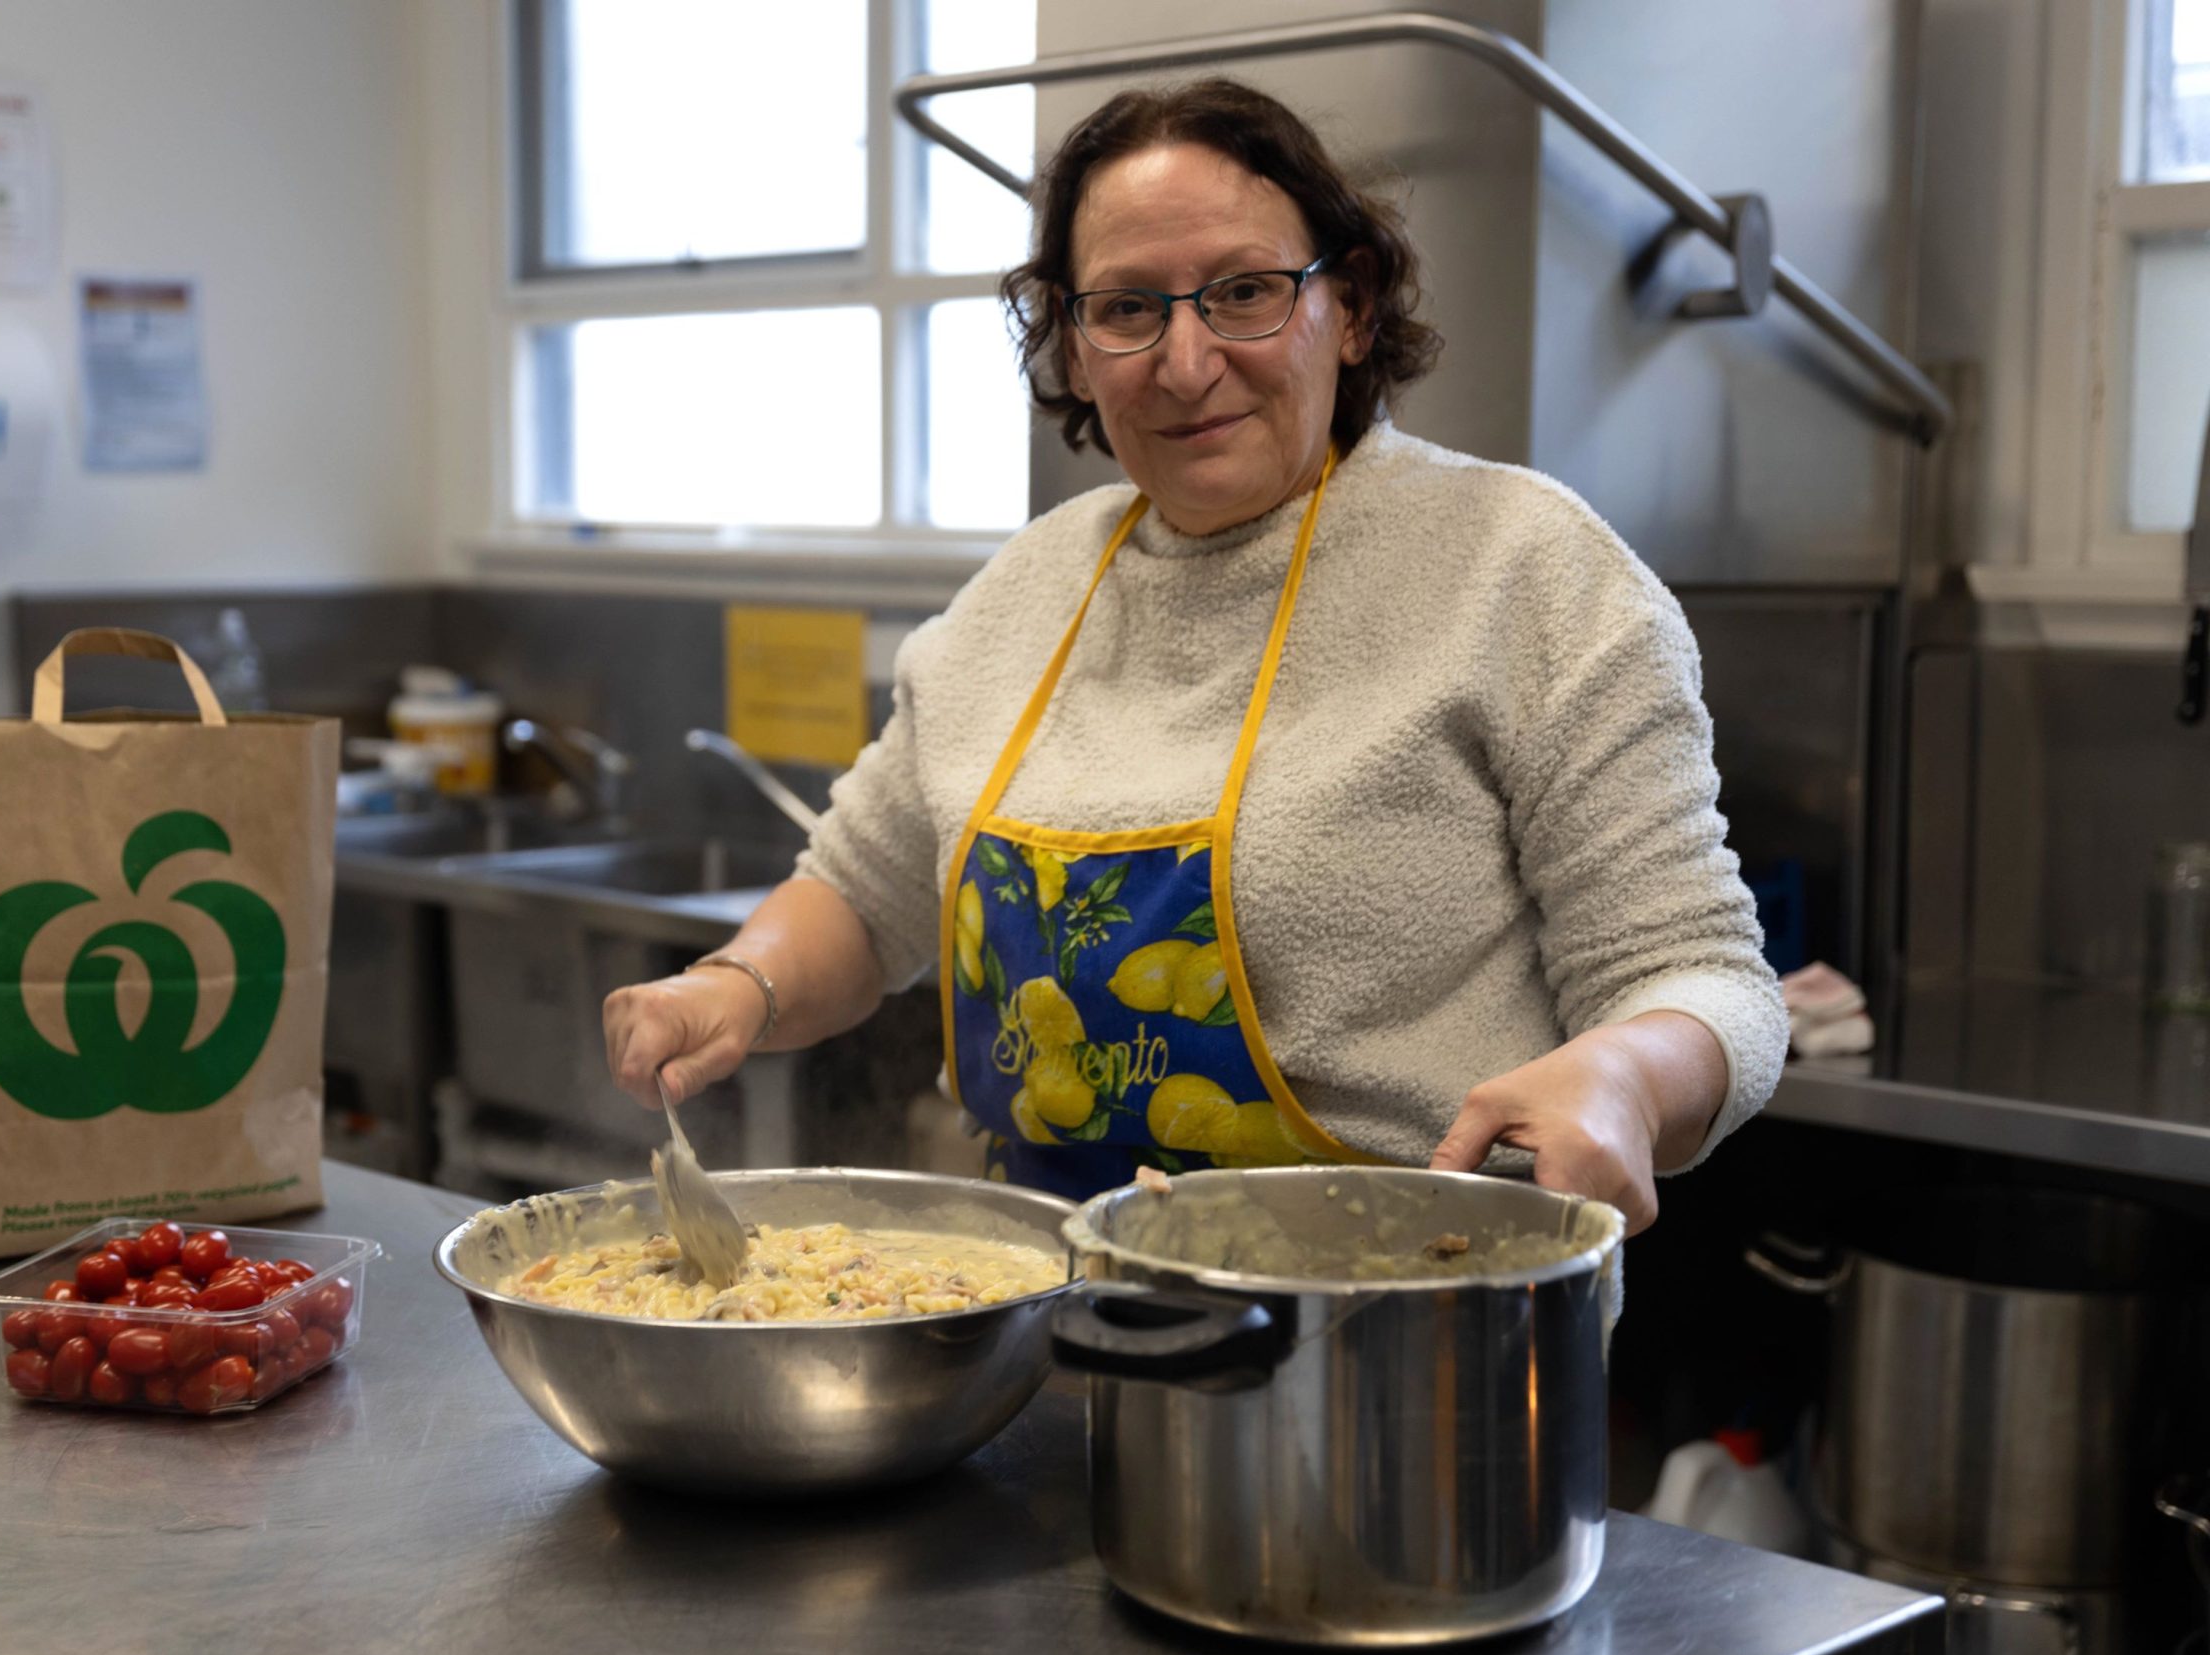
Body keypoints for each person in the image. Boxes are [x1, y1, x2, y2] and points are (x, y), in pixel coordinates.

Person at [603, 78, 1785, 1233]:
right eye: (1126, 309)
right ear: (1071, 341)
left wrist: (1623, 1079)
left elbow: (1704, 979)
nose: (1184, 361)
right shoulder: (1024, 595)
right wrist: (734, 986)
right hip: (1050, 1323)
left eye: (1244, 293)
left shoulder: (1522, 571)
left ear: (1351, 307)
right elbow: (865, 897)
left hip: (1399, 1330)